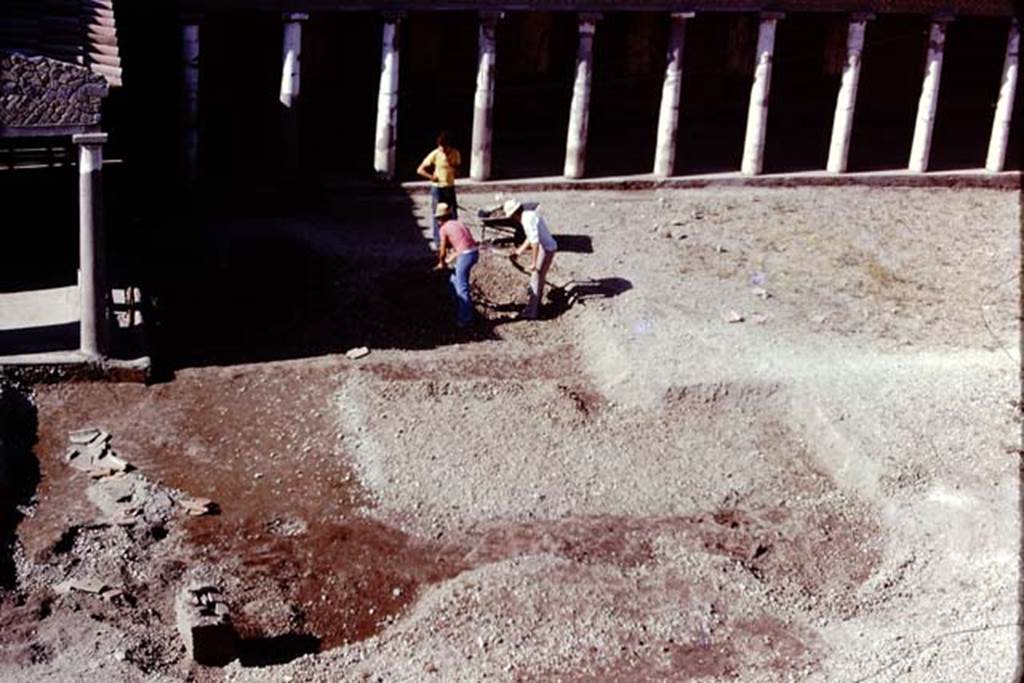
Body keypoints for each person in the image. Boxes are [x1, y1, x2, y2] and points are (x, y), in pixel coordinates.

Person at [504, 198, 558, 320]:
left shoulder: (527, 219)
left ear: (515, 213)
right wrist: (518, 252)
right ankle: (537, 305)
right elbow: (530, 237)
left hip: (547, 248)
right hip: (547, 246)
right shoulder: (528, 215)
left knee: (536, 277)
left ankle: (532, 312)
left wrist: (534, 263)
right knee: (539, 277)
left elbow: (535, 242)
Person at [434, 202, 479, 327]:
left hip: (466, 255)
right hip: (474, 252)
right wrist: (449, 260)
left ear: (440, 219)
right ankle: (458, 308)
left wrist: (441, 263)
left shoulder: (444, 228)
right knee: (453, 280)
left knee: (462, 286)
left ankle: (466, 320)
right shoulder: (458, 223)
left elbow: (442, 251)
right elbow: (463, 245)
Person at [417, 131, 461, 249]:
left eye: (444, 147)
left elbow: (458, 170)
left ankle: (453, 238)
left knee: (452, 213)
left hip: (450, 186)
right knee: (437, 215)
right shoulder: (435, 154)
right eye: (440, 147)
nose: (442, 150)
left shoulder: (455, 153)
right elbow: (420, 169)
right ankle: (438, 241)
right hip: (437, 188)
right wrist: (432, 177)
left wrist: (452, 167)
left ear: (448, 146)